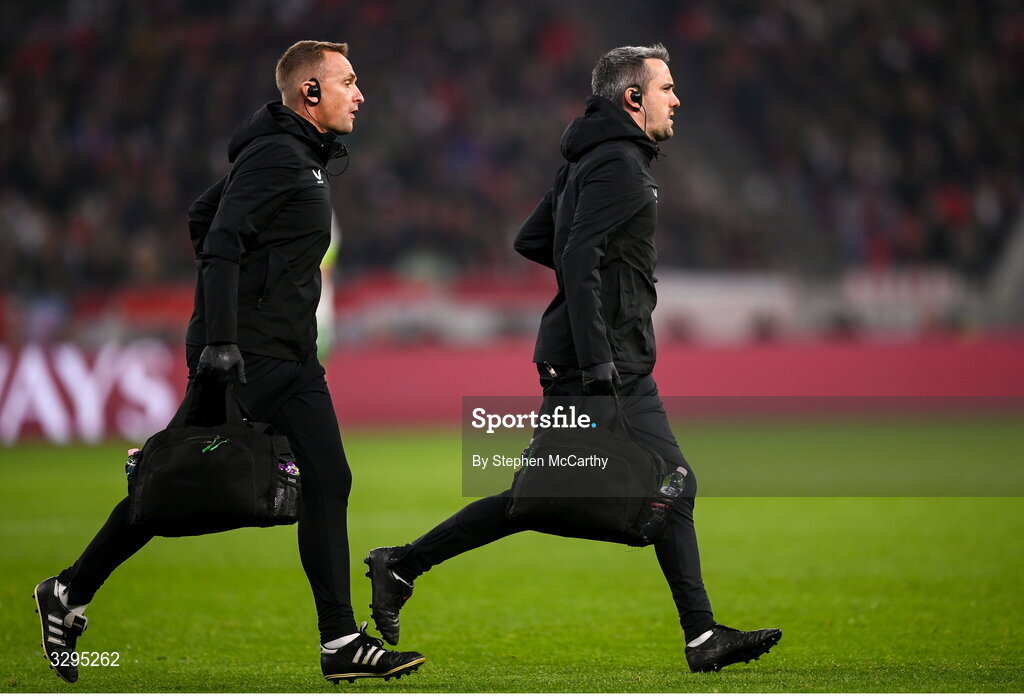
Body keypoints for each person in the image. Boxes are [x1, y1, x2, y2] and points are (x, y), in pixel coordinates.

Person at [363, 44, 781, 674]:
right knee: (622, 490)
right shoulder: (618, 165)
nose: (676, 99)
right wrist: (598, 353)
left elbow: (535, 239)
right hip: (601, 366)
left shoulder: (589, 160)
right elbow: (578, 254)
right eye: (666, 88)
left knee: (601, 491)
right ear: (632, 99)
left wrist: (604, 283)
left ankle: (402, 565)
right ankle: (700, 635)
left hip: (611, 361)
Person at [32, 40, 425, 685]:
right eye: (348, 82)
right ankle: (68, 591)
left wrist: (258, 292)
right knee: (176, 481)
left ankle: (338, 640)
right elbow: (218, 237)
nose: (360, 95)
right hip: (247, 355)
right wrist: (223, 334)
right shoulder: (277, 155)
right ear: (310, 93)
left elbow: (201, 214)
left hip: (291, 354)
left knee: (327, 479)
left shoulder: (300, 157)